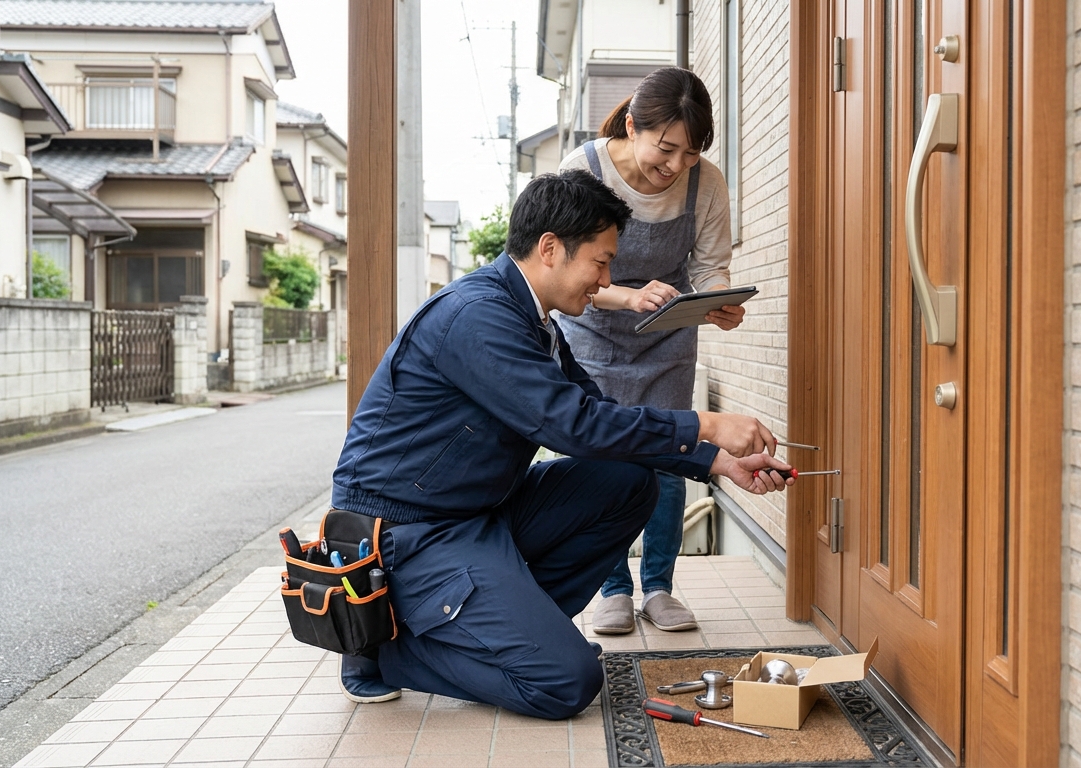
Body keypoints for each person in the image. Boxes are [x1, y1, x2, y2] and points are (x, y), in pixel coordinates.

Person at [328, 170, 793, 720]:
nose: (606, 279)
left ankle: (517, 630)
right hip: (406, 534)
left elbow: (604, 420)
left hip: (475, 516)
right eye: (600, 261)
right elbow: (571, 425)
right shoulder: (477, 317)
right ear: (550, 248)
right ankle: (384, 649)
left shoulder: (535, 321)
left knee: (626, 483)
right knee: (566, 683)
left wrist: (717, 463)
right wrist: (706, 424)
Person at [555, 67, 741, 636]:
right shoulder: (583, 171)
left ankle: (659, 585)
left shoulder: (705, 182)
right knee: (601, 460)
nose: (677, 165)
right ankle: (612, 588)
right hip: (593, 334)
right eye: (666, 149)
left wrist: (719, 302)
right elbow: (564, 274)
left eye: (690, 153)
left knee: (668, 456)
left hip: (668, 338)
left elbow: (710, 267)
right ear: (632, 125)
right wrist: (628, 295)